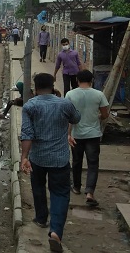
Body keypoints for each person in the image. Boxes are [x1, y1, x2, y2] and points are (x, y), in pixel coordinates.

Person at [20, 73, 81, 253]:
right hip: (60, 159)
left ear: (35, 88)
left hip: (38, 158)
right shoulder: (64, 104)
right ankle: (55, 232)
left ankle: (40, 218)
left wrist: (24, 157)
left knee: (38, 187)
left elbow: (27, 133)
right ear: (53, 86)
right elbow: (76, 119)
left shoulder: (30, 106)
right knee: (60, 194)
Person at [65, 69, 109, 207]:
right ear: (92, 81)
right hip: (93, 134)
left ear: (77, 80)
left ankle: (76, 187)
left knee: (76, 161)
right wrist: (98, 117)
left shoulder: (70, 94)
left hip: (76, 135)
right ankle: (90, 192)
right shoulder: (99, 94)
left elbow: (67, 117)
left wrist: (68, 134)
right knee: (93, 164)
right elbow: (105, 114)